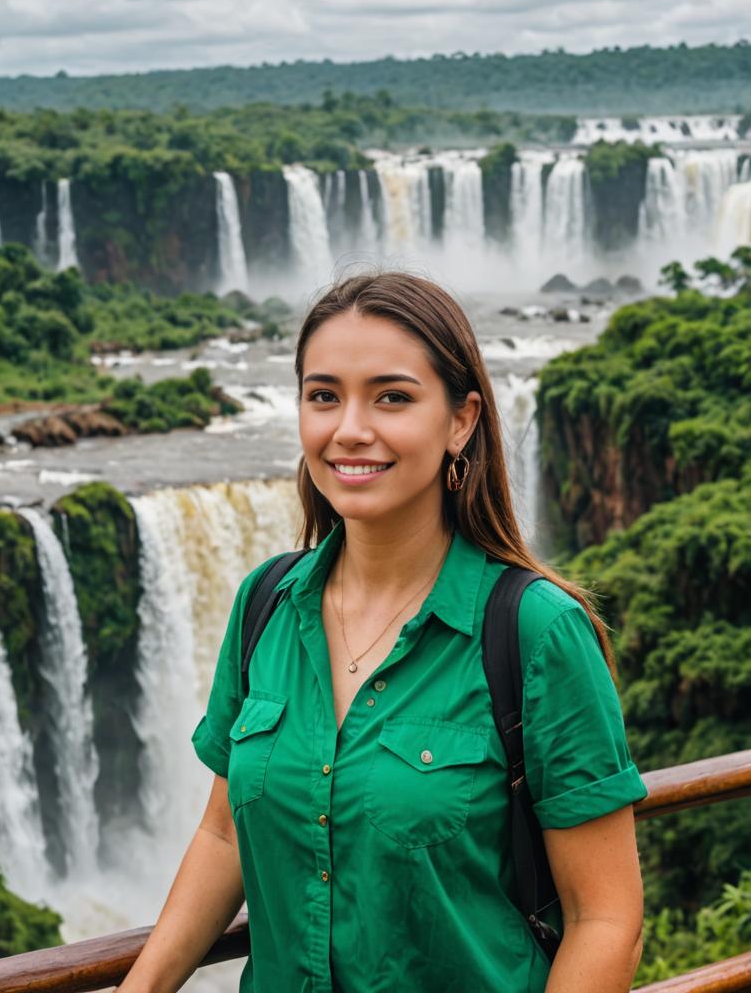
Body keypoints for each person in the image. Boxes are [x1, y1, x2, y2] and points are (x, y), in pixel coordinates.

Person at [119, 272, 647, 993]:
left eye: (392, 397)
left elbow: (605, 919)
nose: (349, 430)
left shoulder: (534, 632)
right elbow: (223, 834)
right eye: (323, 395)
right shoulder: (266, 602)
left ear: (461, 420)